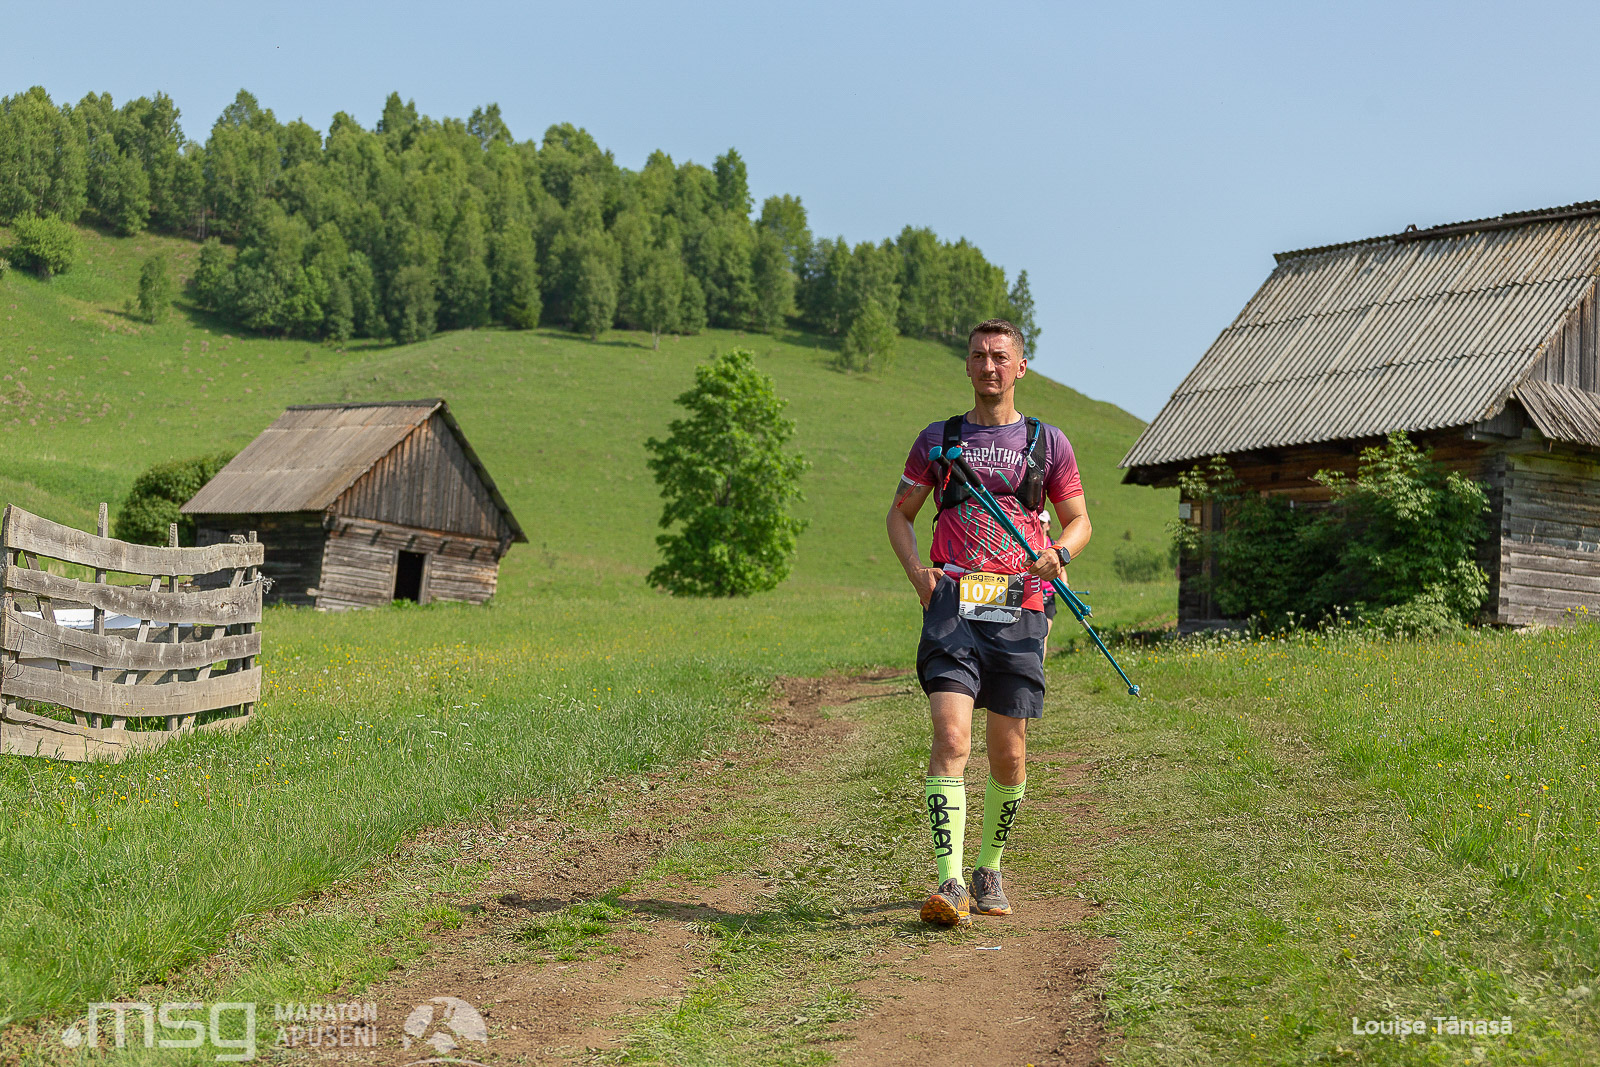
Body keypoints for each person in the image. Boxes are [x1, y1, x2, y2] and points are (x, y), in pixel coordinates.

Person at [885, 319, 1090, 926]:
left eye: (1001, 357)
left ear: (1020, 367)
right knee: (951, 739)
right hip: (953, 605)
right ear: (967, 365)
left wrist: (1060, 554)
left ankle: (989, 867)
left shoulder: (1048, 443)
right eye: (978, 356)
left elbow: (1079, 521)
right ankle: (949, 884)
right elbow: (900, 515)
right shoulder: (938, 438)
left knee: (1009, 753)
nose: (989, 366)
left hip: (1021, 607)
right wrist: (920, 577)